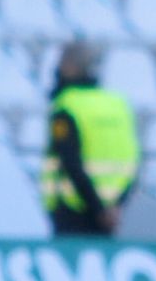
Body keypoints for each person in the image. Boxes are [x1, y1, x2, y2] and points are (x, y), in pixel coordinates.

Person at [40, 42, 140, 237]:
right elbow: (134, 161)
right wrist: (114, 208)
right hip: (113, 211)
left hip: (71, 208)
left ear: (70, 66)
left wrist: (98, 208)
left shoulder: (66, 106)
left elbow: (70, 162)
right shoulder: (118, 105)